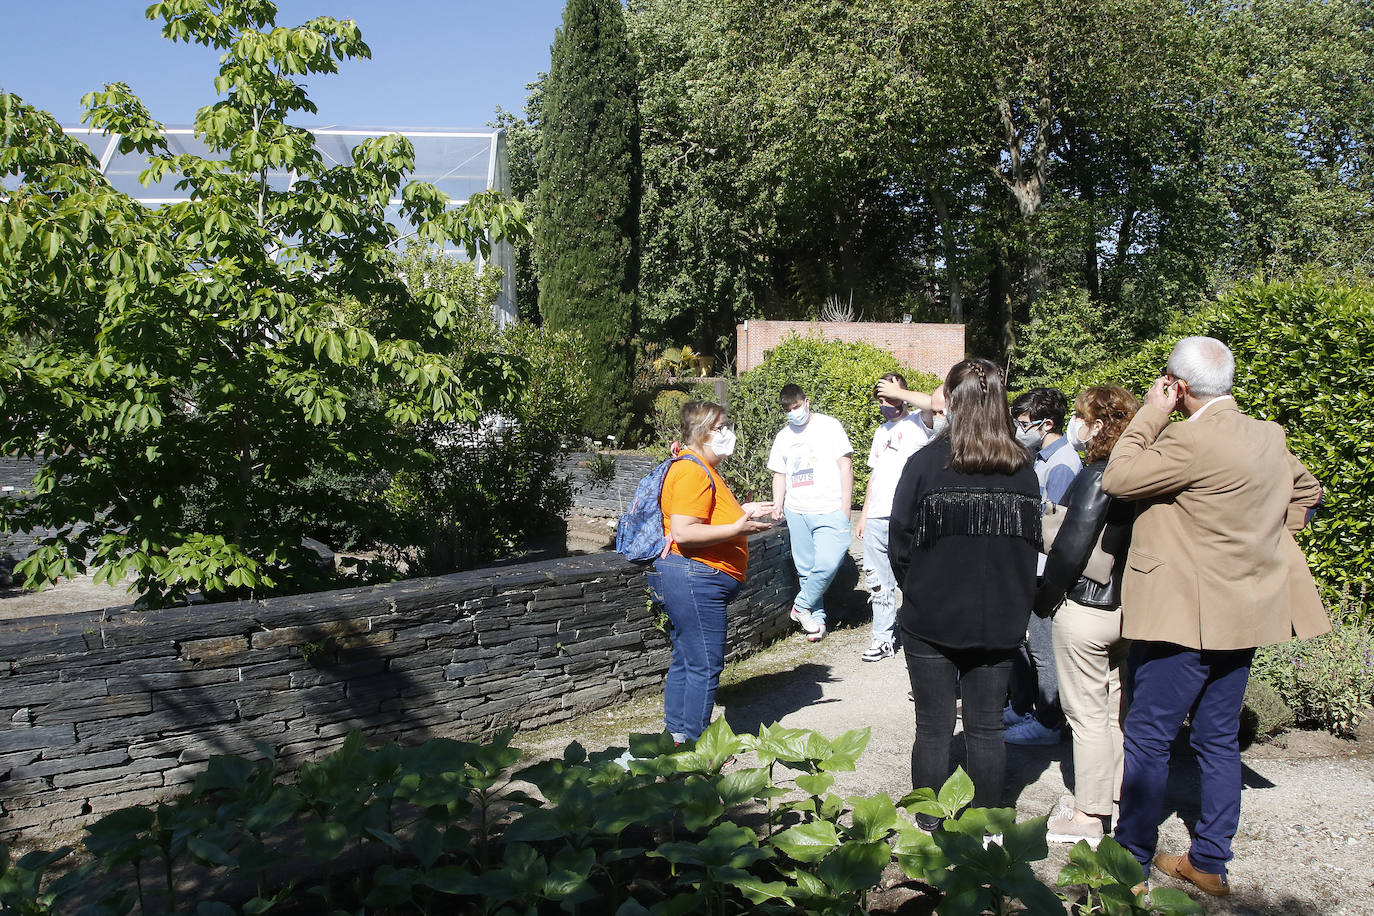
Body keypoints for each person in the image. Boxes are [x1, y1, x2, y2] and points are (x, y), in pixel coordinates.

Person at [1102, 337, 1327, 897]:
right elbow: (1308, 490)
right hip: (1244, 612)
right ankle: (1209, 863)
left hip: (1182, 616)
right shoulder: (1268, 436)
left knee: (1149, 737)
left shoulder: (1187, 438)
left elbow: (1119, 476)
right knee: (1218, 739)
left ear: (1177, 384)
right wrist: (1265, 539)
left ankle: (1128, 863)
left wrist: (1153, 411)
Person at [889, 358, 1042, 827]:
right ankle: (988, 829)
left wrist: (919, 589)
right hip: (999, 621)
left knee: (933, 728)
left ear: (953, 402)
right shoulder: (1023, 470)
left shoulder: (925, 464)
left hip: (930, 617)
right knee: (986, 729)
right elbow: (1029, 549)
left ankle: (929, 827)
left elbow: (899, 544)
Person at [1033, 385, 1140, 848]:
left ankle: (1090, 814)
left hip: (1087, 607)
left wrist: (1045, 596)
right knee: (1115, 711)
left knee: (1086, 715)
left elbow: (1072, 545)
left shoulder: (1100, 474)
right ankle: (1115, 798)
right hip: (1126, 609)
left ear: (1098, 425)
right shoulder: (1144, 474)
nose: (1077, 424)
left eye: (1081, 417)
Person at [653, 401, 774, 744]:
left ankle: (676, 736)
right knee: (705, 664)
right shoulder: (692, 471)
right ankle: (697, 746)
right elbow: (685, 532)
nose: (728, 434)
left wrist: (742, 512)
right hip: (696, 577)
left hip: (692, 576)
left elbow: (705, 518)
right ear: (702, 432)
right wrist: (738, 530)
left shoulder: (699, 468)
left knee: (687, 659)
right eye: (721, 428)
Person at [1004, 387, 1082, 746]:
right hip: (1028, 566)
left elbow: (1061, 530)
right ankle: (1022, 708)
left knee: (1043, 650)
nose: (1020, 430)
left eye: (1023, 424)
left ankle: (1049, 722)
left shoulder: (1063, 464)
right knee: (1019, 643)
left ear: (1045, 423)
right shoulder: (1041, 457)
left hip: (1043, 573)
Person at [856, 373, 934, 661]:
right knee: (877, 580)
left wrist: (900, 392)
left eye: (891, 396)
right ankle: (882, 639)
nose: (886, 402)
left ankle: (923, 635)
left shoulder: (918, 423)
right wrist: (864, 515)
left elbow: (934, 404)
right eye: (882, 398)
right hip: (877, 516)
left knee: (915, 578)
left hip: (908, 514)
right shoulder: (880, 431)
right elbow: (874, 476)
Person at [768, 384, 854, 642]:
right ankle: (816, 621)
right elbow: (779, 474)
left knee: (828, 563)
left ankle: (800, 605)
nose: (793, 412)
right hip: (797, 510)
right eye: (788, 409)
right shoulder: (783, 436)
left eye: (796, 407)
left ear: (806, 402)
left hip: (829, 508)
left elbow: (845, 465)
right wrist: (777, 504)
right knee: (806, 569)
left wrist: (846, 508)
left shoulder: (829, 426)